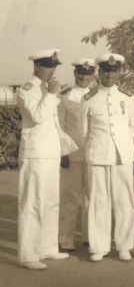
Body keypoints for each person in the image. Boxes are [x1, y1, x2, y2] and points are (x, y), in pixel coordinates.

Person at [17, 49, 77, 270]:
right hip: (35, 154)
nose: (52, 71)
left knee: (51, 202)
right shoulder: (28, 89)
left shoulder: (46, 88)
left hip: (50, 152)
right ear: (36, 67)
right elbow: (39, 117)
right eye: (48, 66)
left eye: (54, 67)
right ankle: (27, 254)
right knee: (32, 203)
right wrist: (51, 94)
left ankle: (47, 248)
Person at [79, 54, 134, 262]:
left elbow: (132, 127)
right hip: (97, 154)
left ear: (120, 72)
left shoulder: (128, 97)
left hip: (122, 155)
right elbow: (83, 132)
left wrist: (125, 147)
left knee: (124, 200)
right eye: (105, 71)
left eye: (114, 71)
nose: (109, 75)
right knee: (98, 200)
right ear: (99, 73)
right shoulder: (89, 99)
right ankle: (99, 246)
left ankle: (124, 245)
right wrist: (93, 149)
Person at [57, 58, 96, 252]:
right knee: (70, 197)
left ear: (93, 75)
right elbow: (60, 127)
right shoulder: (65, 95)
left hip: (94, 153)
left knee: (93, 196)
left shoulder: (98, 95)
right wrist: (62, 152)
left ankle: (90, 237)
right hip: (71, 153)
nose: (83, 77)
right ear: (75, 74)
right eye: (80, 73)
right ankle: (65, 238)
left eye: (88, 74)